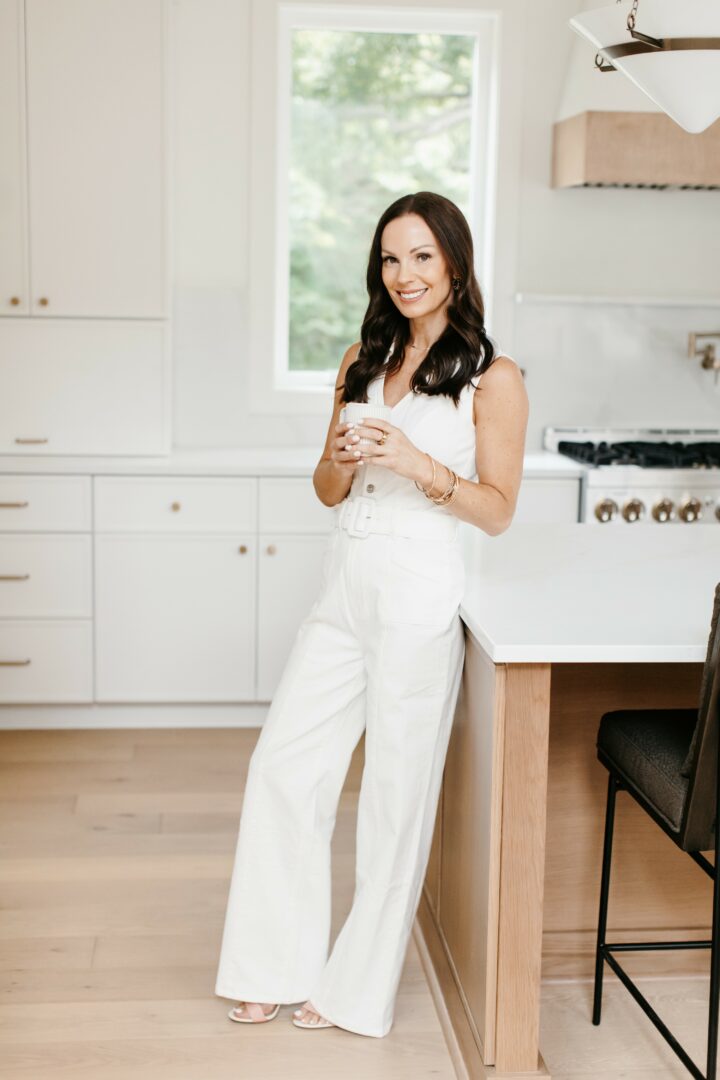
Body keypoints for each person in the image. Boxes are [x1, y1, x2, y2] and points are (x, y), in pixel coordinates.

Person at [214, 190, 529, 1037]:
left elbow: (498, 510)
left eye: (422, 256)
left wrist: (418, 463)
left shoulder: (494, 377)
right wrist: (345, 459)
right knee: (284, 768)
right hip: (343, 585)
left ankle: (352, 990)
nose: (404, 274)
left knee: (395, 793)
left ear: (455, 263)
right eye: (391, 258)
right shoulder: (363, 357)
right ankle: (270, 965)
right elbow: (325, 489)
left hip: (418, 592)